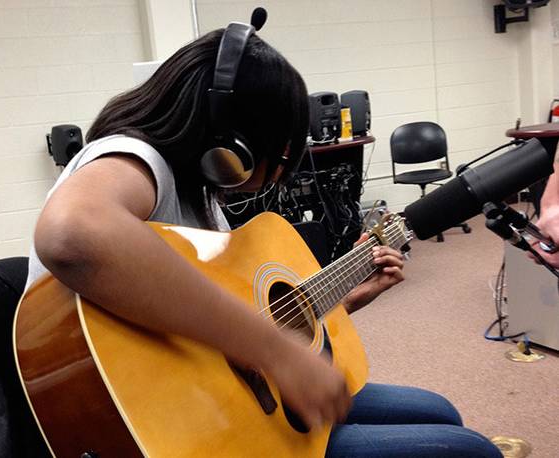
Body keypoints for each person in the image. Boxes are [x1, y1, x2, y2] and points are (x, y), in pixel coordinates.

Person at [26, 24, 502, 458]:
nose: (281, 167)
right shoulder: (132, 157)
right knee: (468, 450)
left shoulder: (201, 198)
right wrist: (274, 351)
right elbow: (72, 234)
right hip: (192, 428)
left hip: (244, 402)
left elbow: (227, 313)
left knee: (438, 411)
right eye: (280, 148)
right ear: (235, 144)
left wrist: (341, 300)